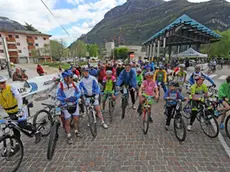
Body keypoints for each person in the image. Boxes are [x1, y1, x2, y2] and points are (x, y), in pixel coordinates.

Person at [0, 76, 41, 145]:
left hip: (19, 109)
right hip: (10, 112)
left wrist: (19, 109)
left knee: (22, 125)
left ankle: (36, 131)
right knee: (14, 128)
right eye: (1, 83)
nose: (4, 84)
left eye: (4, 82)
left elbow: (19, 97)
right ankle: (18, 143)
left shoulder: (10, 88)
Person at [56, 70, 82, 144]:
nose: (72, 79)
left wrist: (76, 97)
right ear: (65, 78)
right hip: (66, 105)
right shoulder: (60, 85)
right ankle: (69, 135)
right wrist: (64, 99)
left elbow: (79, 92)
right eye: (70, 77)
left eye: (72, 77)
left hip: (74, 104)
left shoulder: (74, 83)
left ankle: (76, 131)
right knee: (67, 121)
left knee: (76, 119)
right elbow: (58, 95)